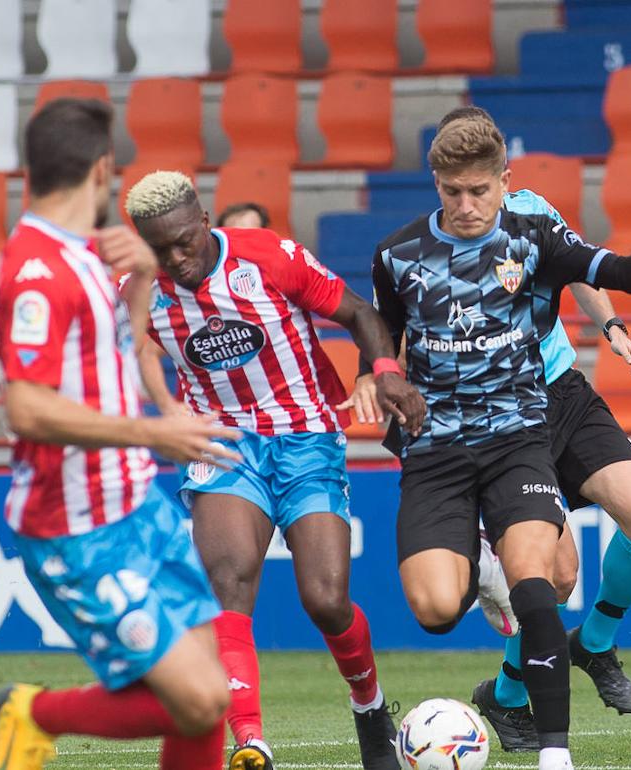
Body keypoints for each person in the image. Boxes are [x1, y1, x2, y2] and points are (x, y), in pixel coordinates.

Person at [369, 111, 631, 770]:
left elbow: (591, 270)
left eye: (480, 186)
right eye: (454, 188)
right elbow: (391, 334)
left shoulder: (533, 220)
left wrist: (618, 325)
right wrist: (388, 387)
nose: (467, 201)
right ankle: (509, 682)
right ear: (439, 181)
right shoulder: (408, 254)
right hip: (476, 420)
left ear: (502, 176)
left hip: (554, 392)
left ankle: (590, 649)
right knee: (545, 579)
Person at [125, 171, 425, 770]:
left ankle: (369, 706)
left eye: (184, 241)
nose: (176, 259)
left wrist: (386, 372)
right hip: (224, 445)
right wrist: (162, 407)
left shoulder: (269, 257)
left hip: (306, 437)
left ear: (204, 221)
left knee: (326, 600)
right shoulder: (139, 290)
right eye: (160, 250)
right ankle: (250, 741)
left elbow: (360, 313)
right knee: (229, 582)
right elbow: (114, 349)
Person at [0, 98, 242, 770]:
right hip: (75, 526)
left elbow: (110, 355)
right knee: (198, 699)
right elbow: (26, 409)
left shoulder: (85, 253)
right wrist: (148, 432)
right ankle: (31, 711)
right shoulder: (35, 269)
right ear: (103, 169)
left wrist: (143, 283)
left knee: (208, 696)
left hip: (135, 505)